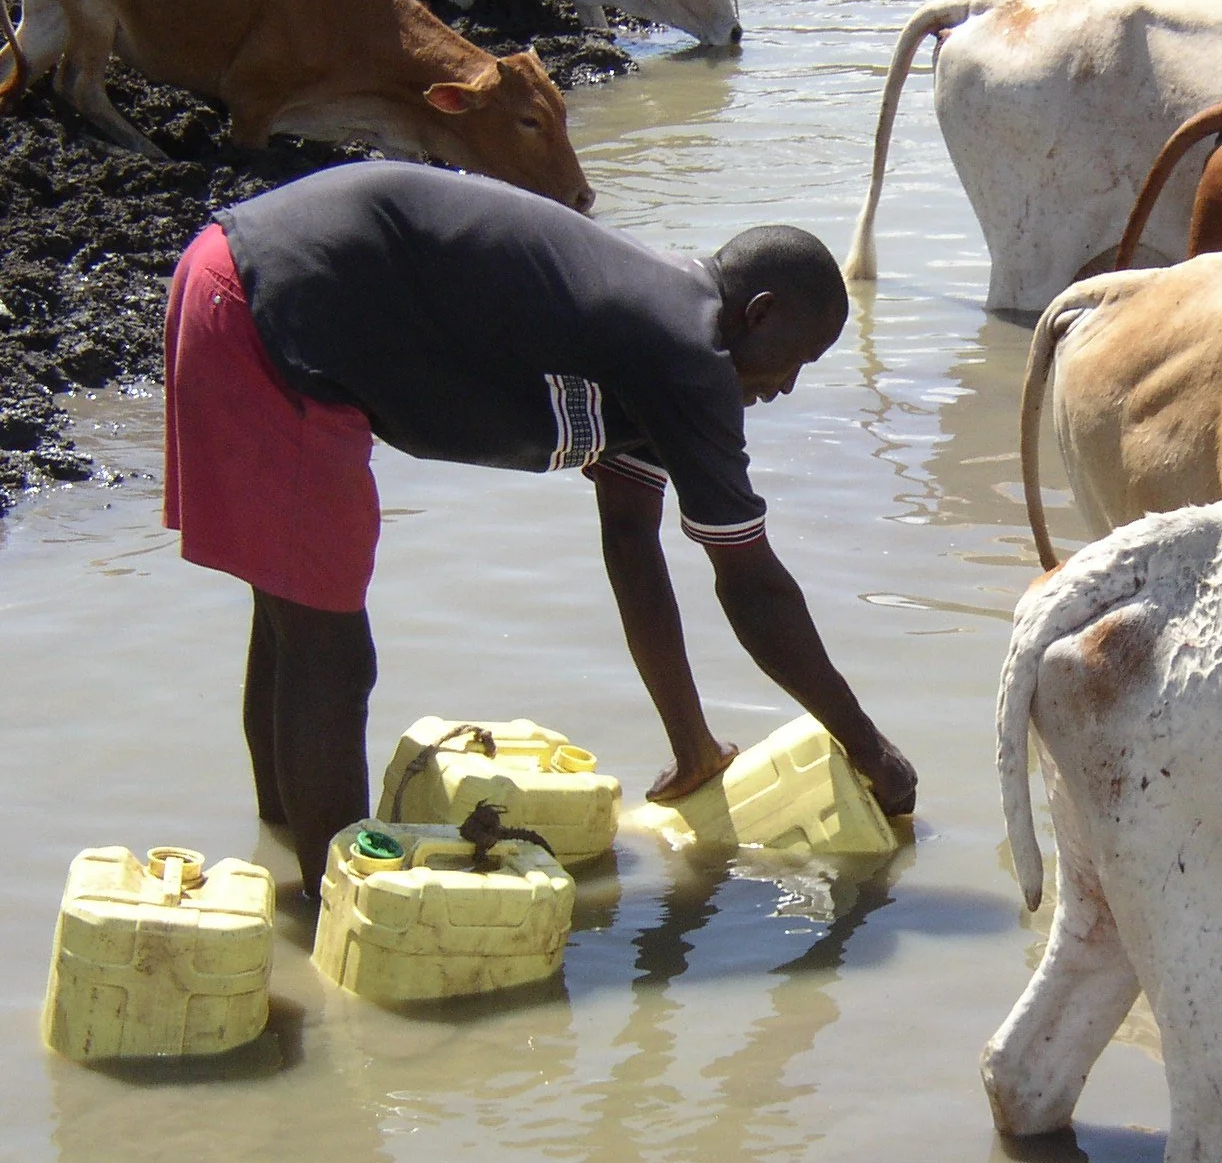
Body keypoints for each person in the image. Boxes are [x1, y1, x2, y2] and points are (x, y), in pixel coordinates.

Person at [162, 160, 917, 897]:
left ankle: (286, 842)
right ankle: (337, 907)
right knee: (332, 654)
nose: (784, 389)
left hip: (238, 279)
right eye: (797, 361)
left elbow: (631, 541)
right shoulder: (689, 356)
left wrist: (692, 748)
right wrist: (867, 746)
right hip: (275, 311)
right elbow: (752, 586)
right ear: (759, 313)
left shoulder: (658, 334)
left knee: (295, 624)